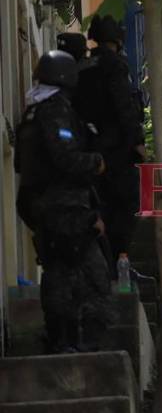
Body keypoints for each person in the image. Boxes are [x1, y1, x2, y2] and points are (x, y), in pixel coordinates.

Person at [14, 50, 113, 352]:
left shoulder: (34, 110)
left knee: (59, 274)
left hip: (43, 206)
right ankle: (80, 345)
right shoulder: (54, 110)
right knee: (92, 279)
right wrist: (95, 162)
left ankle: (61, 340)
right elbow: (65, 157)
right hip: (64, 208)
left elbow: (22, 163)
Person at [73, 15, 146, 267]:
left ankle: (104, 262)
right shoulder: (115, 65)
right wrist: (137, 141)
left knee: (99, 207)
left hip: (90, 150)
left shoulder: (83, 66)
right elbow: (124, 106)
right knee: (125, 207)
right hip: (117, 150)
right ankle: (118, 261)